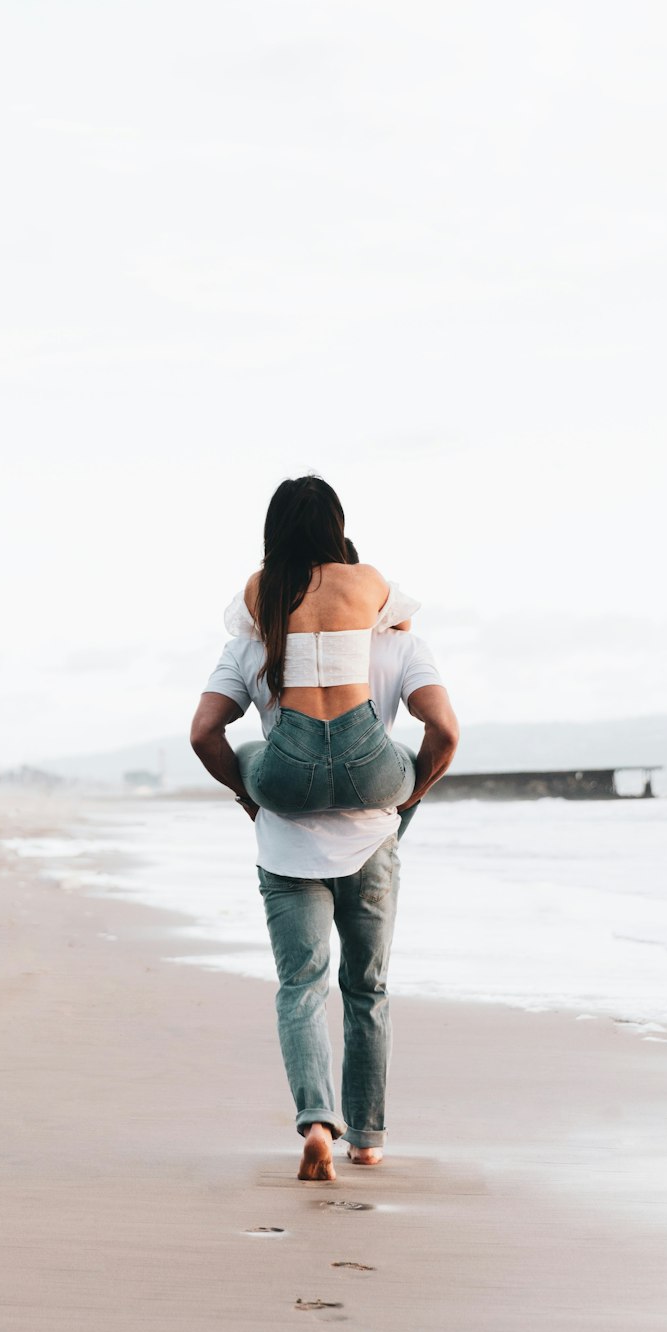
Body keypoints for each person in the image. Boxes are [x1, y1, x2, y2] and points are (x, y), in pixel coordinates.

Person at [190, 482, 459, 1181]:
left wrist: (252, 800)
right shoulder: (396, 636)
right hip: (371, 823)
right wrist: (405, 807)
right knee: (366, 988)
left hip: (286, 828)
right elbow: (446, 732)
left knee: (301, 987)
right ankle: (367, 1136)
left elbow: (204, 734)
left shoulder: (253, 636)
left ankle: (315, 1120)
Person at [224, 476, 421, 815]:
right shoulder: (365, 578)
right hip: (366, 761)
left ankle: (264, 815)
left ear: (275, 528)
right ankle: (385, 843)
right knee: (410, 761)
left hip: (289, 771)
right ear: (335, 524)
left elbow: (246, 632)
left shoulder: (261, 587)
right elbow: (402, 624)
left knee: (247, 752)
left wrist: (250, 797)